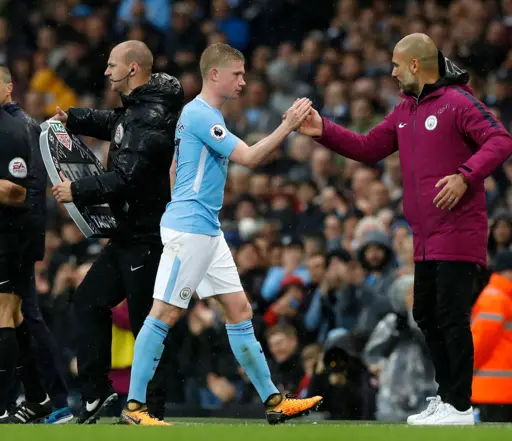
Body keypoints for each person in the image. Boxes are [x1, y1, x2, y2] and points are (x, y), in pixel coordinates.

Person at [296, 33, 512, 425]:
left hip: (458, 230)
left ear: (415, 65)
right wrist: (323, 130)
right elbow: (366, 148)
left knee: (448, 315)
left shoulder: (457, 103)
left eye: (397, 65)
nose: (393, 72)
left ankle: (461, 405)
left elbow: (500, 140)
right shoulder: (404, 111)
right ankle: (447, 398)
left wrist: (465, 176)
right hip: (426, 238)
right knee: (427, 315)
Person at [119, 43, 322, 427]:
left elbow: (176, 168)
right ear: (215, 74)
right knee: (164, 312)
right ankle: (133, 407)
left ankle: (274, 401)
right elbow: (249, 157)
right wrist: (289, 124)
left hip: (206, 228)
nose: (243, 81)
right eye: (238, 74)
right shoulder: (199, 115)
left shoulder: (199, 116)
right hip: (192, 228)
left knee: (239, 311)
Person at [50, 40, 184, 424]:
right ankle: (97, 394)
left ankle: (151, 407)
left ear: (132, 70)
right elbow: (115, 124)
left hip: (146, 238)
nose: (106, 71)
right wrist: (74, 118)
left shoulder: (153, 113)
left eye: (112, 65)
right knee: (88, 302)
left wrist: (77, 189)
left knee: (148, 324)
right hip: (127, 234)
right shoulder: (139, 109)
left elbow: (127, 176)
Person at [0, 67, 73, 424]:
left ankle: (46, 398)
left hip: (13, 236)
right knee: (24, 317)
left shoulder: (13, 127)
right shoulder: (21, 124)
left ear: (9, 87)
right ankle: (42, 397)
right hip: (17, 235)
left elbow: (18, 191)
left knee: (18, 316)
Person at [471, 250, 512, 423]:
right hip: (495, 389)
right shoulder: (496, 299)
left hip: (499, 388)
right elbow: (480, 343)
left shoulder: (505, 298)